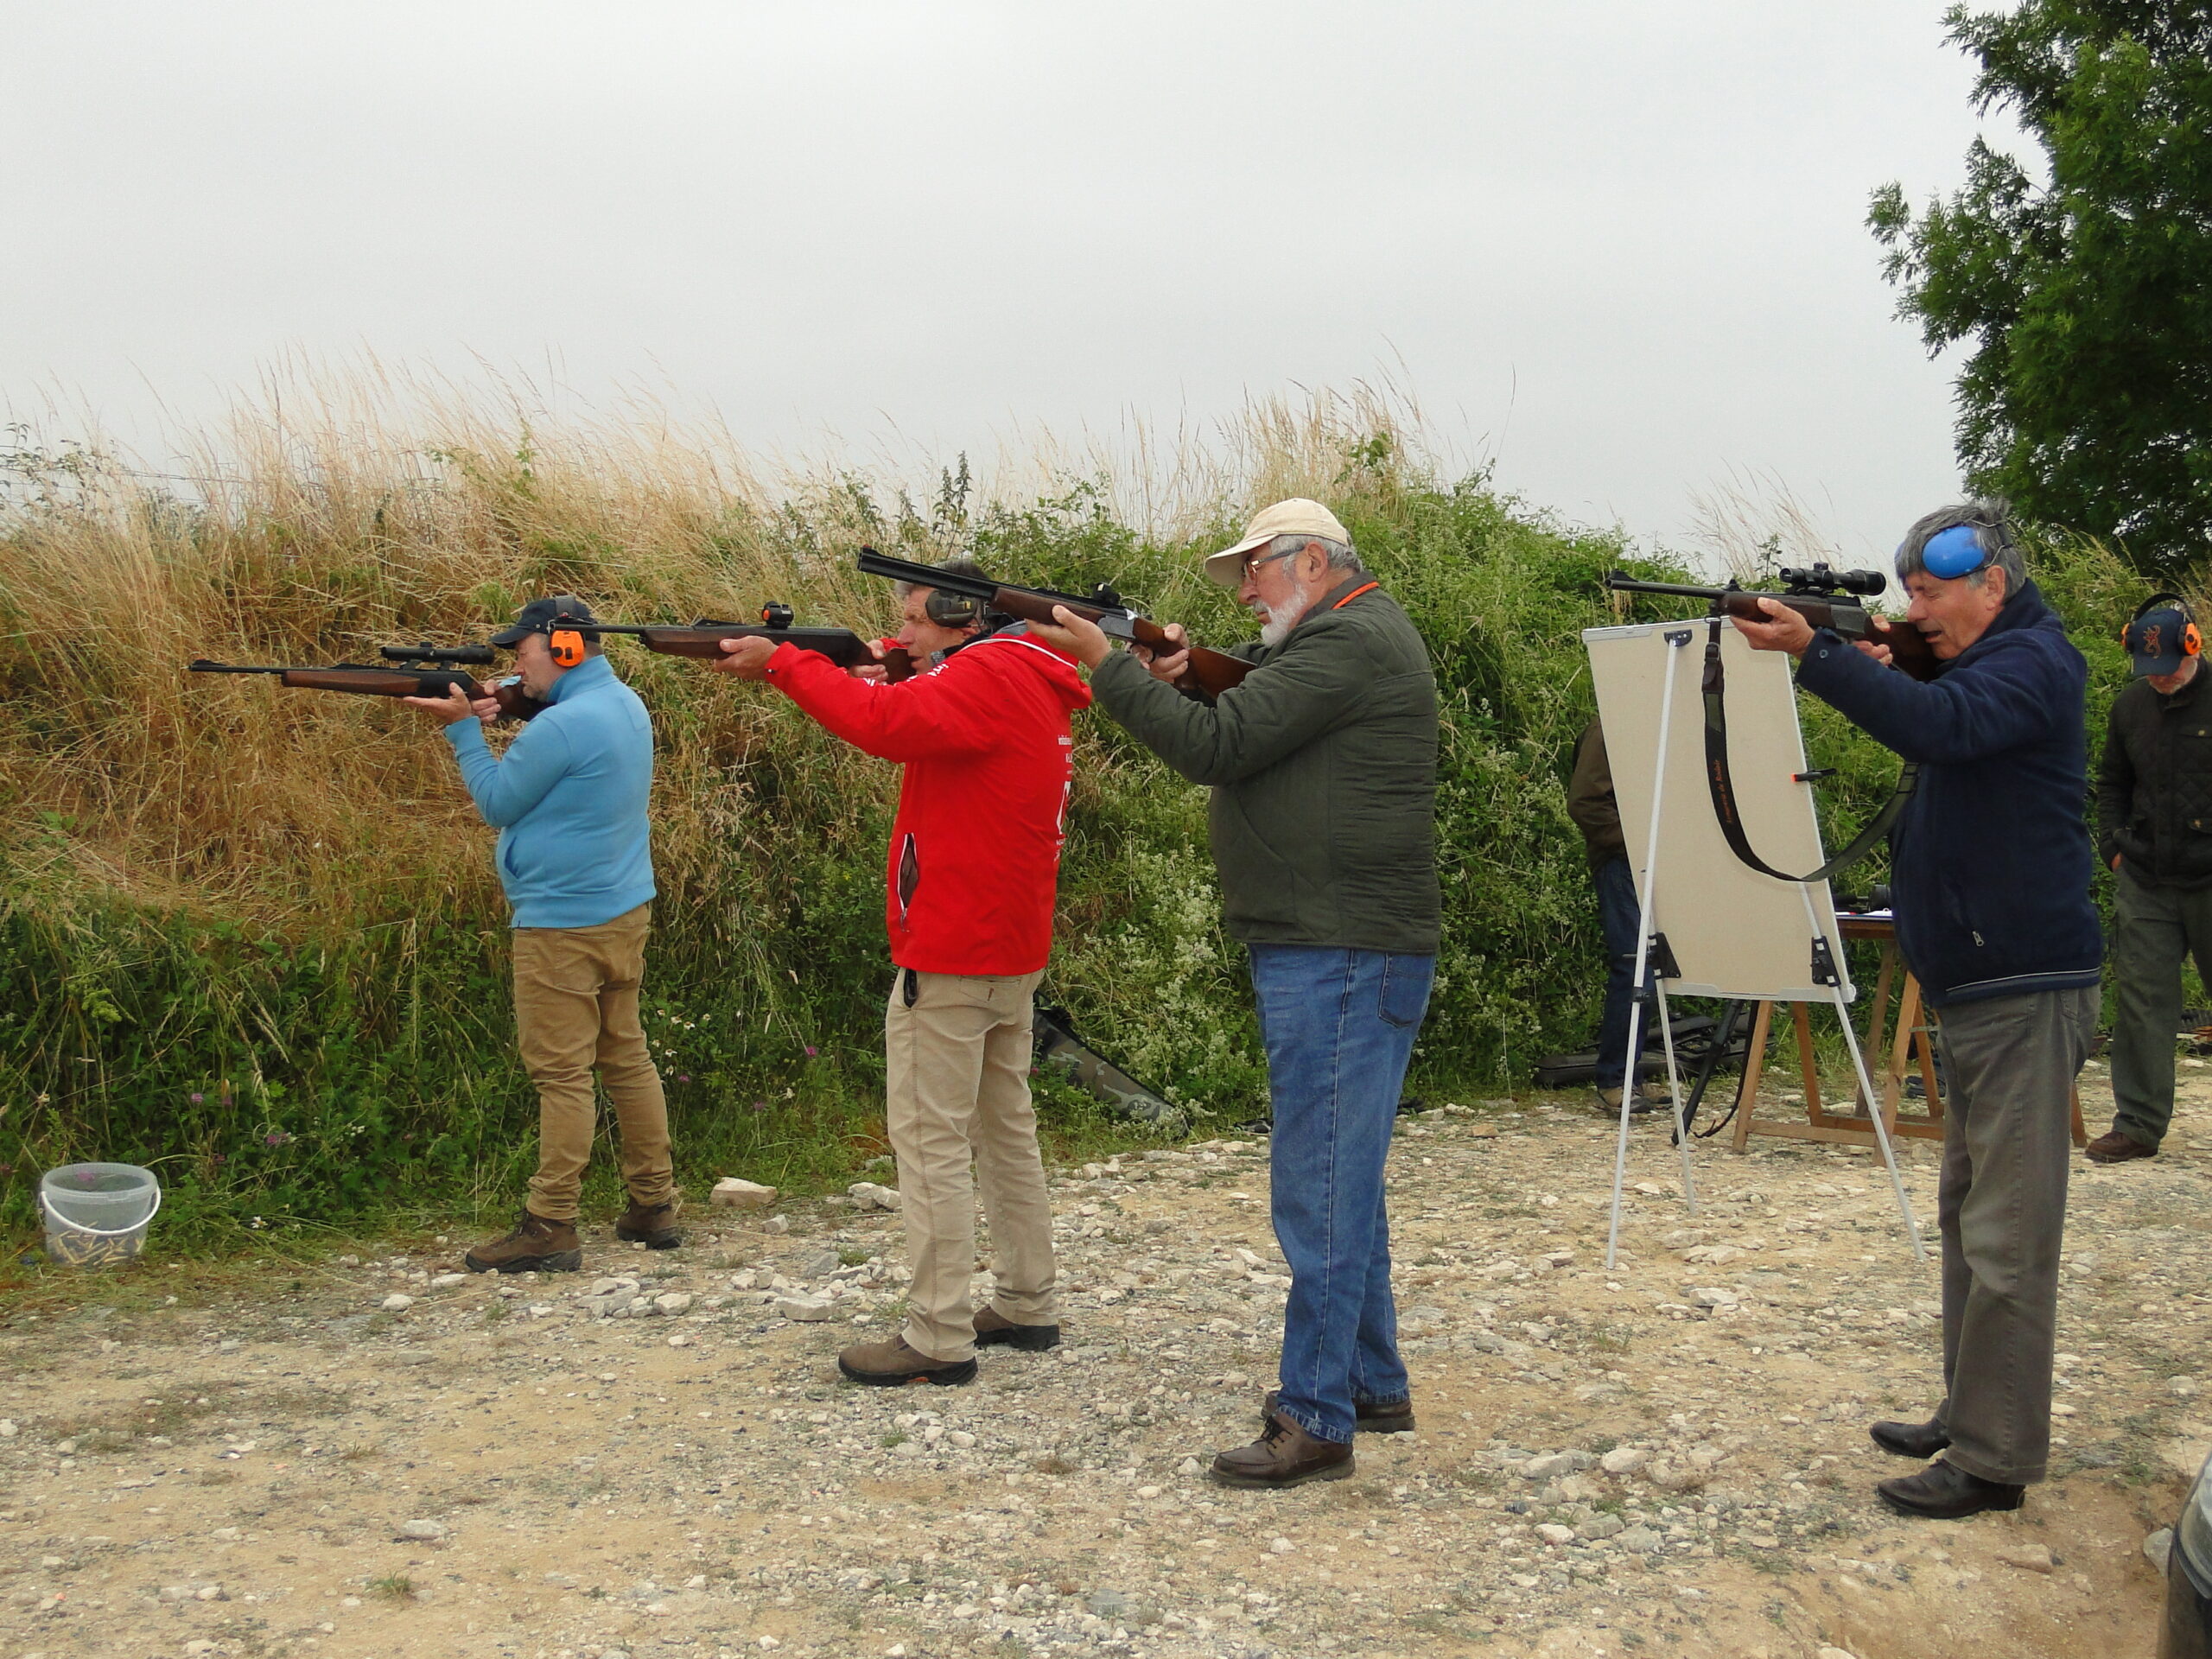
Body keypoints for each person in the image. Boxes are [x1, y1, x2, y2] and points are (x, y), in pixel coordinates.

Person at [1032, 498, 1440, 1491]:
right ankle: (1371, 1382)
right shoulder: (1346, 637)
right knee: (1344, 1175)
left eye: (1255, 571)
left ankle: (1315, 1415)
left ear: (1308, 561)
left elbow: (1219, 748)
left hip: (1337, 948)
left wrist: (1112, 665)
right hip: (1337, 943)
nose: (1246, 591)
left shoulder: (1347, 642)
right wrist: (1182, 676)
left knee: (1319, 1185)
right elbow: (1253, 722)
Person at [1734, 500, 2101, 1521]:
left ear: (1993, 584)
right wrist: (1881, 660)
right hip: (1988, 985)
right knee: (1967, 1215)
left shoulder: (2035, 663)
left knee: (2006, 1234)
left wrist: (1821, 654)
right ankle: (1969, 1406)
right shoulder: (1989, 660)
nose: (1916, 613)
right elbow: (1939, 705)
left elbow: (1940, 723)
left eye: (1932, 596)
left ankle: (1993, 1458)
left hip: (2022, 988)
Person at [709, 559, 1086, 1386]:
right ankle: (1026, 1301)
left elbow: (880, 724)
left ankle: (939, 1335)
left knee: (931, 1145)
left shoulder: (985, 674)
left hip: (953, 949)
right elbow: (904, 687)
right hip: (1007, 946)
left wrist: (784, 662)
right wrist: (871, 657)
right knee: (1003, 1134)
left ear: (960, 618)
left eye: (915, 617)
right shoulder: (1023, 671)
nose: (902, 632)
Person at [404, 595, 679, 1274]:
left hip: (560, 922)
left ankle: (551, 1221)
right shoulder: (622, 702)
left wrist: (464, 730)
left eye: (521, 650)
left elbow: (497, 802)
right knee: (626, 1057)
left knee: (561, 1075)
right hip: (621, 909)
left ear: (563, 649)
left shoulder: (559, 728)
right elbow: (544, 712)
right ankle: (654, 1203)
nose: (513, 663)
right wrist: (500, 697)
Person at [2090, 594, 2212, 1165]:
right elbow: (2112, 784)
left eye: (2169, 671)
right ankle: (2137, 1124)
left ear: (2193, 647)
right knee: (2140, 1002)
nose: (2160, 682)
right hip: (2145, 876)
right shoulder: (2129, 707)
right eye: (2150, 673)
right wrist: (2113, 846)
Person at [1566, 719, 1662, 1114]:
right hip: (1625, 862)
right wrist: (1636, 847)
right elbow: (1585, 802)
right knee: (1633, 965)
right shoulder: (1612, 724)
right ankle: (1615, 1081)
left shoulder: (1662, 720)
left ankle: (1631, 1078)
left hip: (1654, 860)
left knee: (1653, 967)